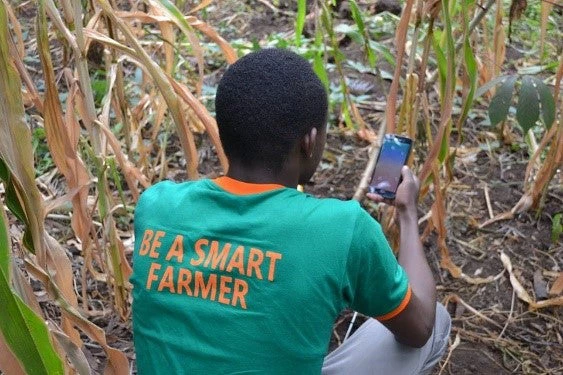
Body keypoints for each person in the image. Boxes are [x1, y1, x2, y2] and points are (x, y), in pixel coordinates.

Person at [131, 48, 451, 374]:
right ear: (309, 141)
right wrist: (407, 213)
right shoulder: (342, 229)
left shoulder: (157, 206)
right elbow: (419, 328)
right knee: (437, 320)